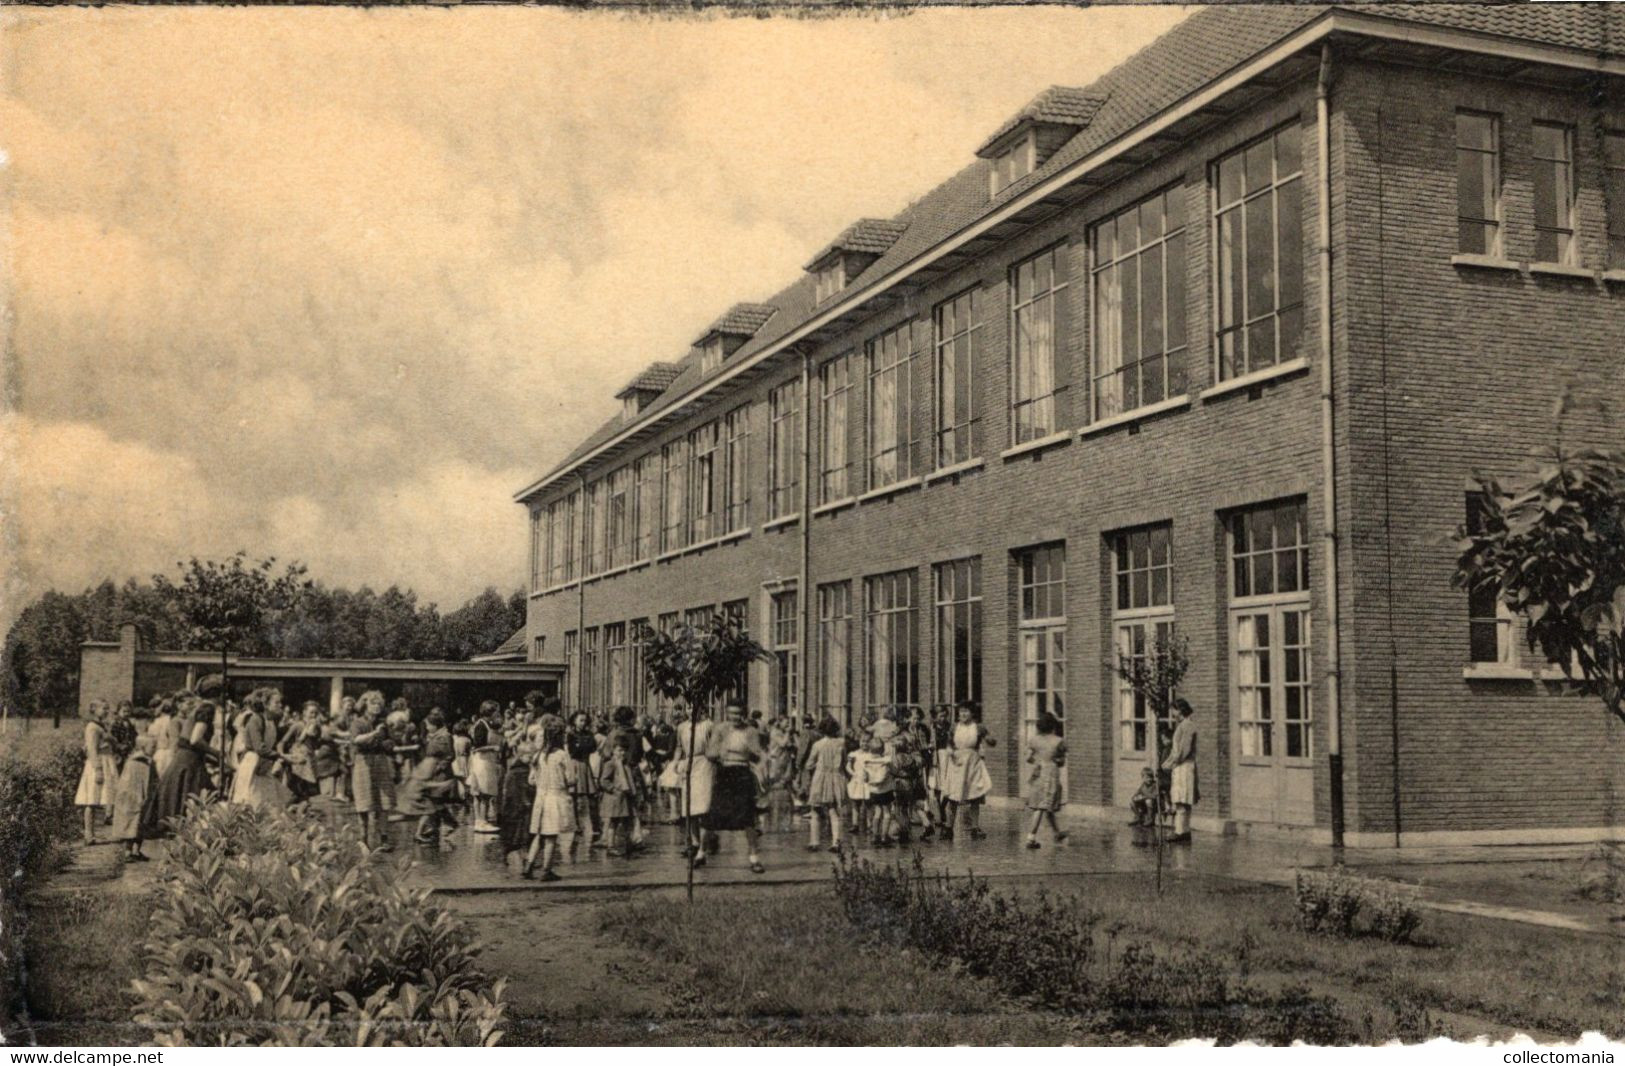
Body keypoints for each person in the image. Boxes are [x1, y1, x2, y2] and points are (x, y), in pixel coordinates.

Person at [702, 700, 766, 873]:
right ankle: (701, 853)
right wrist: (720, 752)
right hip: (724, 773)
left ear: (743, 714)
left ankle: (754, 858)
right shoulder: (720, 729)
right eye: (731, 713)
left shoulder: (751, 731)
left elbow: (757, 754)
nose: (734, 717)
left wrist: (751, 752)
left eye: (738, 714)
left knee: (748, 816)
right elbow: (710, 753)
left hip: (743, 773)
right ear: (726, 713)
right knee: (713, 814)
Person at [523, 720, 575, 881]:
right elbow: (571, 779)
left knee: (539, 833)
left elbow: (531, 779)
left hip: (541, 797)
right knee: (551, 835)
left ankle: (529, 865)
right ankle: (546, 870)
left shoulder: (539, 755)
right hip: (556, 797)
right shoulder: (561, 755)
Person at [156, 698, 217, 830]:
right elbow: (195, 740)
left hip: (188, 759)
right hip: (189, 762)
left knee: (183, 794)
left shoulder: (194, 714)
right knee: (190, 794)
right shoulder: (206, 710)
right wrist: (216, 753)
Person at [348, 692, 396, 850]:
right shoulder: (358, 722)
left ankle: (384, 838)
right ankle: (363, 839)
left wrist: (389, 743)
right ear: (365, 705)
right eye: (372, 703)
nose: (376, 706)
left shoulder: (383, 723)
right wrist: (374, 734)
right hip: (363, 761)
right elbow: (356, 739)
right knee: (364, 800)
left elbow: (391, 742)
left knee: (384, 800)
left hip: (380, 760)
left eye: (379, 703)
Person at [943, 701, 996, 840]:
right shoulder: (954, 727)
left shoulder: (978, 727)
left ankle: (975, 828)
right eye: (961, 712)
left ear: (972, 713)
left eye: (966, 711)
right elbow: (949, 743)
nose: (963, 714)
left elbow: (991, 741)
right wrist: (950, 751)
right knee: (953, 796)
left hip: (972, 763)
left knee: (974, 796)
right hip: (957, 762)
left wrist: (990, 740)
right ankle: (949, 828)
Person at [230, 693, 290, 809]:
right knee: (251, 801)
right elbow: (259, 748)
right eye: (276, 703)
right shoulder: (255, 720)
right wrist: (284, 757)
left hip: (264, 764)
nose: (280, 705)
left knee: (269, 803)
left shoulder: (271, 722)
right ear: (266, 704)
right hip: (253, 763)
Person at [400, 733, 460, 846]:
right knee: (430, 809)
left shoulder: (430, 760)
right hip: (418, 790)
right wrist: (441, 784)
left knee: (434, 807)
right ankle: (421, 833)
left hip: (417, 788)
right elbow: (424, 783)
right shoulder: (431, 763)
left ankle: (434, 829)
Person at [110, 734, 161, 862]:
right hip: (132, 796)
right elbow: (128, 781)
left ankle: (137, 850)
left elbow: (153, 779)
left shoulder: (149, 761)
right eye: (152, 746)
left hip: (144, 796)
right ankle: (128, 851)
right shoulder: (135, 761)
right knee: (131, 823)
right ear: (143, 747)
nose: (155, 748)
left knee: (142, 824)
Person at [74, 702, 119, 844]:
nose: (107, 711)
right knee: (91, 799)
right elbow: (92, 749)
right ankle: (88, 835)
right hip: (98, 763)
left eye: (108, 708)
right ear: (94, 709)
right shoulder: (92, 727)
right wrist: (98, 769)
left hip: (107, 762)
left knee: (105, 797)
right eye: (104, 708)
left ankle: (97, 833)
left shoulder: (102, 726)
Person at [676, 706, 716, 861]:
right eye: (689, 708)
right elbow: (679, 747)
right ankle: (694, 842)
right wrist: (676, 762)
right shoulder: (682, 727)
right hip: (689, 764)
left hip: (705, 764)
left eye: (696, 707)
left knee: (704, 808)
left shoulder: (708, 725)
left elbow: (715, 745)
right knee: (690, 808)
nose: (692, 711)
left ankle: (704, 845)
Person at [1023, 712, 1068, 849]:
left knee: (1044, 805)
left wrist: (1038, 761)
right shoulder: (1058, 741)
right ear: (1053, 726)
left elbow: (1028, 758)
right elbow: (1061, 761)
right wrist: (1056, 761)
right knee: (1043, 806)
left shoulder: (1034, 740)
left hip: (1038, 773)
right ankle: (1031, 837)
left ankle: (1057, 832)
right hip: (1051, 774)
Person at [801, 717, 846, 852]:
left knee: (815, 810)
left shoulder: (818, 745)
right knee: (833, 810)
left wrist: (815, 766)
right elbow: (844, 761)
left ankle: (814, 842)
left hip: (820, 778)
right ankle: (836, 842)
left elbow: (809, 764)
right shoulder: (841, 743)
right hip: (836, 777)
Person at [1162, 698, 1199, 843]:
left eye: (1173, 710)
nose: (1172, 713)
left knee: (1181, 799)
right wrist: (1168, 762)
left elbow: (1183, 750)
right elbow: (1176, 750)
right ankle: (1183, 831)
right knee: (1181, 798)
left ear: (1180, 710)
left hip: (1184, 766)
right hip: (1180, 765)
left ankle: (1180, 832)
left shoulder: (1187, 725)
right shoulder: (1183, 725)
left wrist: (1170, 763)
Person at [566, 711, 603, 849]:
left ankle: (595, 824)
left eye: (584, 720)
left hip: (585, 764)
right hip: (575, 764)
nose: (583, 723)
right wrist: (583, 746)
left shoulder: (588, 734)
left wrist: (582, 746)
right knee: (575, 796)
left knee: (592, 796)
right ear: (574, 721)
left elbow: (592, 747)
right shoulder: (571, 735)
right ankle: (576, 825)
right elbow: (573, 751)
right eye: (580, 720)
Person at [597, 733, 638, 857]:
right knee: (613, 822)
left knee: (627, 822)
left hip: (625, 798)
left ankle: (628, 844)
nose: (623, 753)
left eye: (625, 750)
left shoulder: (626, 764)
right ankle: (610, 845)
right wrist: (613, 789)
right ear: (613, 750)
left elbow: (630, 780)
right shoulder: (611, 764)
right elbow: (603, 780)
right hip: (614, 799)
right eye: (620, 750)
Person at [467, 701, 504, 832]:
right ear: (491, 712)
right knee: (484, 792)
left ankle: (480, 820)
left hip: (487, 761)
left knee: (482, 792)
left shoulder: (488, 725)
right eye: (496, 711)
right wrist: (493, 747)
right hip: (483, 761)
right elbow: (477, 746)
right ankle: (481, 821)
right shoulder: (481, 726)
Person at [149, 698, 179, 779]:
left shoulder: (166, 721)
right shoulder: (158, 721)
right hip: (161, 752)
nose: (153, 710)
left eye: (155, 707)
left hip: (164, 752)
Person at [107, 700, 138, 772]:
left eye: (128, 711)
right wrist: (119, 746)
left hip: (128, 751)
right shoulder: (116, 724)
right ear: (118, 711)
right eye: (124, 711)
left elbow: (134, 736)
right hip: (119, 752)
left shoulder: (130, 724)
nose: (126, 714)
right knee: (118, 769)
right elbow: (113, 738)